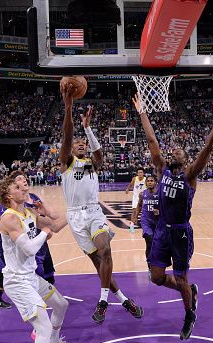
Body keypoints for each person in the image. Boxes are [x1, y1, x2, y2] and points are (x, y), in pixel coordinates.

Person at [134, 93, 213, 340]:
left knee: (180, 276)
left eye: (179, 151)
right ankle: (189, 290)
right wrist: (142, 112)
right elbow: (152, 139)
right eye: (173, 150)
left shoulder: (190, 176)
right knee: (156, 277)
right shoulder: (162, 170)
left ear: (186, 161)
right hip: (162, 231)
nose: (175, 151)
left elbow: (207, 149)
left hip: (181, 232)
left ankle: (189, 314)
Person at [59, 85, 143, 323]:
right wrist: (68, 108)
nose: (80, 144)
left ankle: (103, 301)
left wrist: (88, 129)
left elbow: (100, 156)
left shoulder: (92, 164)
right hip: (75, 217)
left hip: (94, 212)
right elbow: (66, 137)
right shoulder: (66, 164)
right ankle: (123, 299)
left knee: (105, 250)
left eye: (82, 143)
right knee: (99, 264)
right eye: (77, 144)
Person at [0, 177, 75, 343]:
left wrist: (75, 209)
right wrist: (44, 234)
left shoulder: (28, 213)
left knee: (61, 304)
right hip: (17, 282)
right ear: (10, 195)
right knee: (43, 328)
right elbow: (30, 249)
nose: (24, 187)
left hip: (31, 277)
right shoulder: (9, 218)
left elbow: (56, 224)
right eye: (17, 187)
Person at [11, 171, 58, 284]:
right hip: (29, 243)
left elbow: (52, 215)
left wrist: (46, 213)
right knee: (37, 277)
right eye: (19, 179)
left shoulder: (35, 197)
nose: (24, 180)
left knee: (49, 276)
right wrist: (46, 227)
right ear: (14, 186)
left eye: (24, 178)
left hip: (41, 241)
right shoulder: (16, 203)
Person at [131, 175, 159, 262]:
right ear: (146, 183)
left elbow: (166, 207)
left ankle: (158, 264)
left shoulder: (160, 194)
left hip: (158, 222)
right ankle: (150, 265)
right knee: (149, 242)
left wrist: (160, 211)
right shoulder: (142, 194)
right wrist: (135, 216)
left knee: (158, 244)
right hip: (146, 222)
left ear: (155, 182)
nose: (150, 182)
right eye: (148, 181)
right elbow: (139, 205)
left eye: (151, 181)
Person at [125, 168, 147, 233]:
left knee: (144, 213)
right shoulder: (135, 179)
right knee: (134, 211)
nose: (140, 174)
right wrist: (127, 189)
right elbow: (131, 184)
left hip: (144, 198)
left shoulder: (146, 180)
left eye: (141, 172)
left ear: (143, 173)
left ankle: (145, 226)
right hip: (136, 197)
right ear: (137, 173)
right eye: (139, 172)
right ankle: (131, 226)